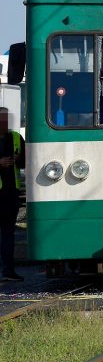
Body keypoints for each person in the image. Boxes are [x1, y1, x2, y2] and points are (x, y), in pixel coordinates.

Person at [0, 107, 25, 282]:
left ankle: (8, 271)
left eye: (5, 120)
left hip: (10, 194)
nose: (4, 123)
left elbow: (26, 161)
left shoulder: (16, 137)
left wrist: (17, 160)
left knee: (8, 234)